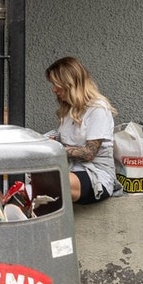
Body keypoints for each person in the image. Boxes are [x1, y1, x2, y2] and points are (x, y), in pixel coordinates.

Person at [43, 55, 119, 205]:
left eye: (56, 84)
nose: (53, 90)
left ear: (70, 83)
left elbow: (89, 153)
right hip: (71, 169)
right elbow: (63, 138)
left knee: (52, 183)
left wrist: (53, 147)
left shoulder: (98, 108)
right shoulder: (68, 110)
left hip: (96, 174)